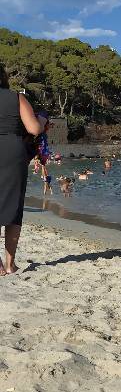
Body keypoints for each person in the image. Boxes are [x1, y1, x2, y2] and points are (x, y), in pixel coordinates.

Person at [0, 64, 47, 276]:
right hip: (11, 152)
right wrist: (43, 119)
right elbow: (34, 129)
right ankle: (9, 265)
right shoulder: (15, 97)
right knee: (13, 207)